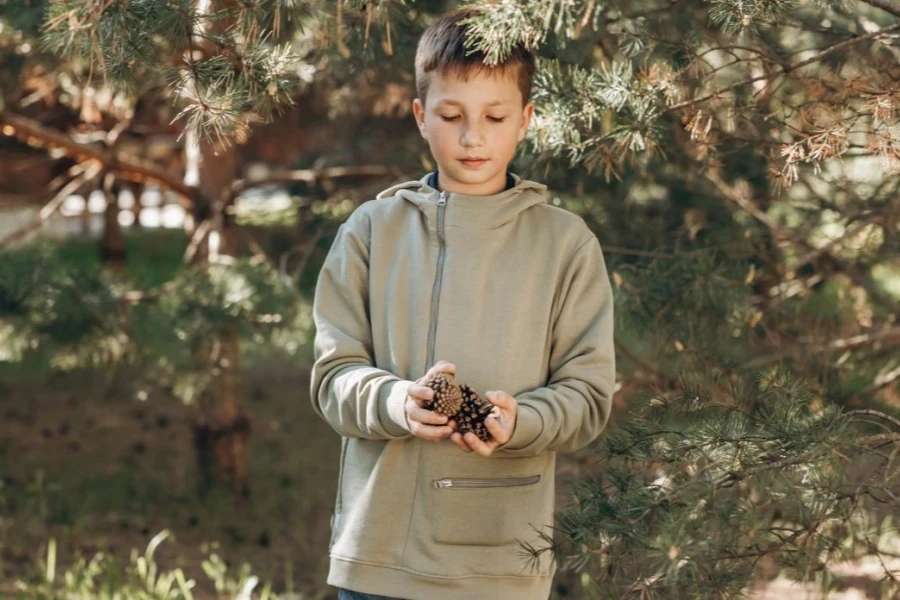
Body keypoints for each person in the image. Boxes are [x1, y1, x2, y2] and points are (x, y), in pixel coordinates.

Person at [309, 7, 616, 600]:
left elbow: (589, 395)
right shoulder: (371, 232)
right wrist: (397, 401)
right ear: (422, 117)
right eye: (452, 116)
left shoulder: (566, 245)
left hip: (500, 559)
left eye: (495, 116)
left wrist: (521, 420)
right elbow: (332, 378)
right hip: (379, 553)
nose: (473, 136)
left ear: (525, 120)